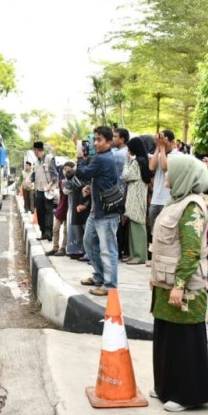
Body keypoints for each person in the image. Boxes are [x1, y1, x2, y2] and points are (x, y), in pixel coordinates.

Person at [149, 153, 208, 412]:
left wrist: (179, 285)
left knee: (185, 341)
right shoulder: (177, 202)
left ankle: (188, 394)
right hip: (166, 283)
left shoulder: (192, 208)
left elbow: (190, 250)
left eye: (170, 173)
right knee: (167, 337)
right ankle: (166, 387)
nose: (166, 179)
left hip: (184, 287)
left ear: (184, 176)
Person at [74, 126, 121, 297]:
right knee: (89, 243)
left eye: (99, 139)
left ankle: (110, 285)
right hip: (97, 211)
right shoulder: (103, 157)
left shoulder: (103, 159)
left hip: (106, 213)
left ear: (109, 142)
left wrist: (79, 157)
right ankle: (99, 276)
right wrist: (90, 188)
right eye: (95, 139)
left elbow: (83, 173)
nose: (96, 143)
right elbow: (99, 179)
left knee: (108, 250)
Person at [148, 129, 181, 260]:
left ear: (172, 142)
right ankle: (155, 256)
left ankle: (165, 257)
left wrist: (162, 147)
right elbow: (151, 167)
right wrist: (158, 147)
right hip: (156, 199)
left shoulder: (177, 155)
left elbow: (164, 167)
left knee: (166, 231)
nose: (162, 143)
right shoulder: (160, 152)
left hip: (167, 200)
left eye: (164, 140)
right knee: (154, 230)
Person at [122, 136, 150, 265]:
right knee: (134, 225)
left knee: (137, 226)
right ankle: (134, 255)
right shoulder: (143, 161)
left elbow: (126, 176)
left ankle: (139, 256)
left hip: (135, 197)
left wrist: (126, 162)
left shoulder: (136, 162)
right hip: (139, 196)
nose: (128, 150)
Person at [31, 141, 58, 241]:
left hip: (48, 191)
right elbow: (34, 174)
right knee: (40, 212)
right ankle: (43, 232)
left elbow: (55, 175)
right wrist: (30, 180)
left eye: (34, 150)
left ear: (36, 150)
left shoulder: (49, 159)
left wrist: (50, 185)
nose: (34, 152)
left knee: (48, 212)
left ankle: (48, 233)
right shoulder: (37, 162)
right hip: (38, 190)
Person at [47, 162, 73, 257]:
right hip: (61, 207)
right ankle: (55, 247)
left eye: (68, 169)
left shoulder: (74, 181)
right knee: (55, 228)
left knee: (66, 230)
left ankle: (63, 248)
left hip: (70, 208)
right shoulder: (62, 182)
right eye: (65, 169)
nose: (66, 171)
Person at [112, 127, 130, 260]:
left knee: (115, 224)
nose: (112, 139)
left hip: (118, 193)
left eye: (115, 137)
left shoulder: (119, 154)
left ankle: (115, 252)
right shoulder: (122, 152)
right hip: (121, 192)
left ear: (122, 139)